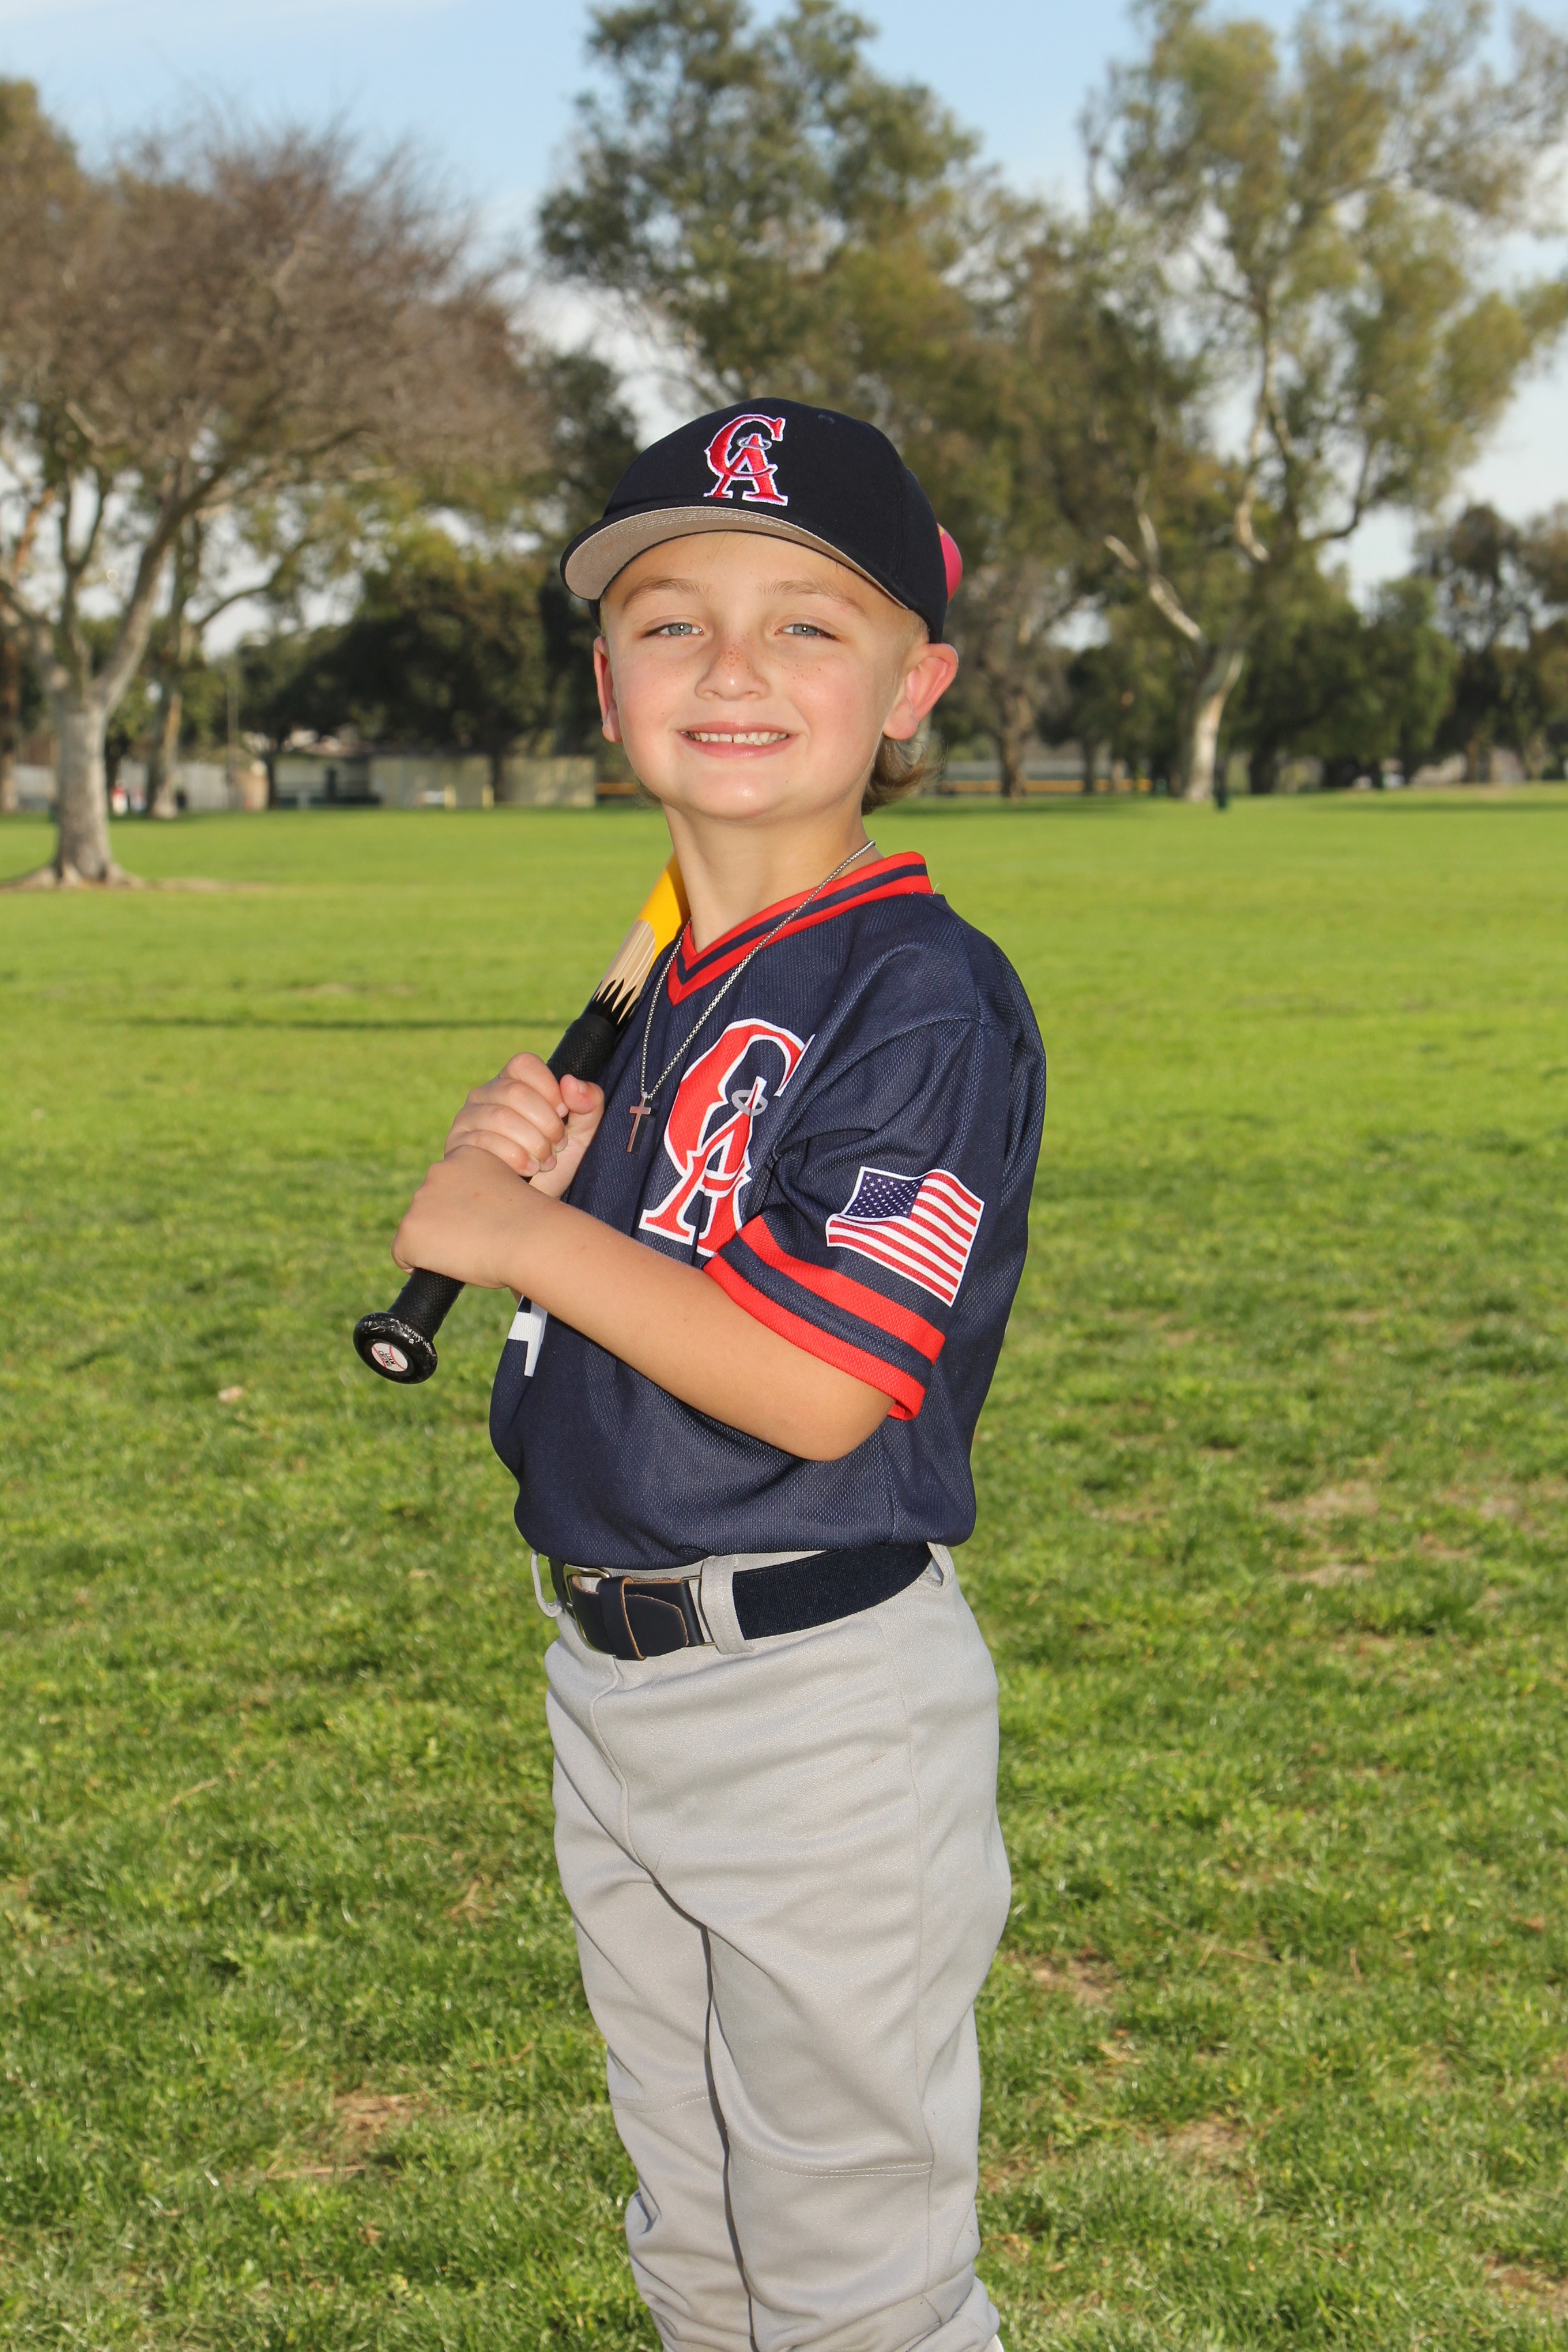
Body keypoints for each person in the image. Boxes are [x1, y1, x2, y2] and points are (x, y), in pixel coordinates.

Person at [393, 399, 1047, 2352]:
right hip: (616, 1679)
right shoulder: (675, 986)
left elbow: (818, 1385)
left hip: (816, 1711)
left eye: (808, 625)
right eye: (672, 622)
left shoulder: (919, 994)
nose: (734, 667)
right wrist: (553, 1182)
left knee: (852, 2281)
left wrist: (519, 1238)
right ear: (609, 685)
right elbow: (654, 1285)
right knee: (699, 2240)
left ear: (914, 689)